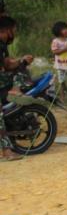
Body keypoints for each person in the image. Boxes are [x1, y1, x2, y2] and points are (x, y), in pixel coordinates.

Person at [0, 15, 32, 162]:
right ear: (6, 30)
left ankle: (15, 89)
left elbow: (7, 64)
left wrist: (21, 61)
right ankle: (6, 151)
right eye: (13, 30)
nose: (15, 33)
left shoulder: (2, 45)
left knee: (21, 68)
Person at [51, 21, 67, 96]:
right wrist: (66, 48)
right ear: (58, 31)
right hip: (60, 64)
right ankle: (62, 95)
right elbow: (55, 52)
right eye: (63, 29)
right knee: (61, 80)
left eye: (66, 28)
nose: (66, 30)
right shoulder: (55, 41)